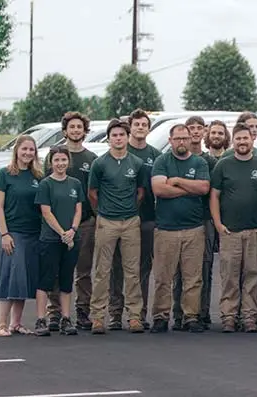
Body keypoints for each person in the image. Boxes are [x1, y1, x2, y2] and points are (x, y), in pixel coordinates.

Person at [210, 123, 257, 333]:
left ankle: (249, 317)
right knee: (229, 276)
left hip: (255, 231)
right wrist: (218, 224)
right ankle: (229, 316)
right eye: (238, 139)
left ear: (252, 140)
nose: (242, 142)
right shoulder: (223, 165)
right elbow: (214, 196)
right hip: (230, 232)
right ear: (233, 141)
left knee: (252, 275)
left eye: (245, 138)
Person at [88, 119, 148, 334]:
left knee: (132, 271)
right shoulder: (100, 163)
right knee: (102, 271)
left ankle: (134, 317)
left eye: (122, 135)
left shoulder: (136, 163)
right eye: (114, 135)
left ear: (127, 136)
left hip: (131, 221)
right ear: (109, 138)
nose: (118, 138)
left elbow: (141, 191)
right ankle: (97, 317)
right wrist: (103, 213)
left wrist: (130, 208)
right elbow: (92, 194)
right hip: (107, 221)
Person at [150, 123, 211, 333]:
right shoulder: (161, 161)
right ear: (170, 141)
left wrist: (176, 181)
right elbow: (158, 189)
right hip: (166, 229)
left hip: (194, 228)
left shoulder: (199, 161)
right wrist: (188, 189)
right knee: (163, 277)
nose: (182, 142)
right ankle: (160, 316)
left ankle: (190, 316)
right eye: (177, 139)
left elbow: (203, 188)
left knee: (193, 277)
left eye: (185, 138)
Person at [43, 112, 98, 332]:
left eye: (80, 127)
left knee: (83, 271)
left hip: (84, 222)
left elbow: (94, 192)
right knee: (56, 270)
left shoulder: (91, 159)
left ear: (85, 131)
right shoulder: (55, 156)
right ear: (65, 130)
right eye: (72, 127)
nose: (76, 131)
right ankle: (55, 313)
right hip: (56, 224)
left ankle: (83, 312)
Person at [109, 108, 161, 331]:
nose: (140, 128)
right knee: (117, 267)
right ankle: (114, 313)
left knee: (142, 268)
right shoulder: (119, 151)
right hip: (119, 218)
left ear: (149, 129)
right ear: (130, 127)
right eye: (137, 124)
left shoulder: (155, 155)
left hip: (147, 218)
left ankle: (137, 314)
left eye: (144, 125)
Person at [0, 135, 44, 337]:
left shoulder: (38, 176)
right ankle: (1, 324)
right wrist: (4, 233)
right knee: (9, 276)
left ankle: (16, 323)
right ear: (17, 150)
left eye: (31, 150)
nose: (28, 153)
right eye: (24, 149)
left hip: (34, 234)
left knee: (23, 279)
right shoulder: (5, 175)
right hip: (14, 233)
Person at [172, 116, 219, 330]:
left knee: (204, 266)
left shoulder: (210, 162)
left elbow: (209, 190)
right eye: (191, 128)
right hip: (180, 220)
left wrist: (184, 185)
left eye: (200, 128)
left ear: (204, 132)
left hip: (205, 219)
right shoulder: (175, 158)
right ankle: (179, 313)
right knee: (180, 269)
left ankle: (202, 311)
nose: (195, 132)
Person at [33, 146, 84, 336]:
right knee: (46, 279)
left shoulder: (75, 184)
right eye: (56, 160)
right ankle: (41, 319)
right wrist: (62, 233)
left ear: (68, 162)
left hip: (72, 238)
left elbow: (78, 210)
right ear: (50, 163)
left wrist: (72, 230)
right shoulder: (46, 184)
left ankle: (65, 318)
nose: (60, 164)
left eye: (63, 160)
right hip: (50, 239)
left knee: (66, 279)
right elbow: (46, 212)